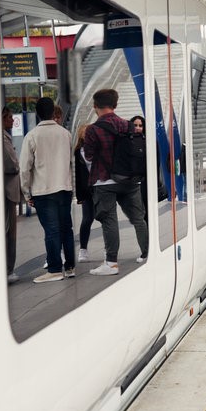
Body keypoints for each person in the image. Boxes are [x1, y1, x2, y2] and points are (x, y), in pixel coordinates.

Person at [84, 89, 148, 275]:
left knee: (109, 220)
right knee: (138, 218)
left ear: (95, 106)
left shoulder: (93, 130)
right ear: (116, 105)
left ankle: (111, 263)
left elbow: (88, 156)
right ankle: (146, 254)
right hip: (130, 180)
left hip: (104, 181)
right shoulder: (127, 125)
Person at [19, 97, 76, 283]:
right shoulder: (65, 134)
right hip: (64, 188)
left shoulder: (32, 136)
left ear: (37, 113)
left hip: (43, 191)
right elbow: (71, 163)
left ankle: (54, 269)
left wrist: (27, 193)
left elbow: (25, 168)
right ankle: (70, 266)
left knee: (51, 231)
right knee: (66, 228)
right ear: (54, 112)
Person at [2, 107, 20, 284]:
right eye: (10, 117)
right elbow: (12, 164)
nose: (13, 121)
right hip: (7, 191)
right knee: (10, 231)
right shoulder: (2, 138)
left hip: (5, 190)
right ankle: (8, 269)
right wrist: (18, 166)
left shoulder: (3, 136)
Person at [74, 124, 94, 263]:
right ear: (81, 135)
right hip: (86, 190)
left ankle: (108, 249)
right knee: (87, 219)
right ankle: (83, 249)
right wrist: (79, 195)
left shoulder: (98, 148)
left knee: (105, 218)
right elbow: (78, 175)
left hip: (100, 187)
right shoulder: (78, 152)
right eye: (85, 133)